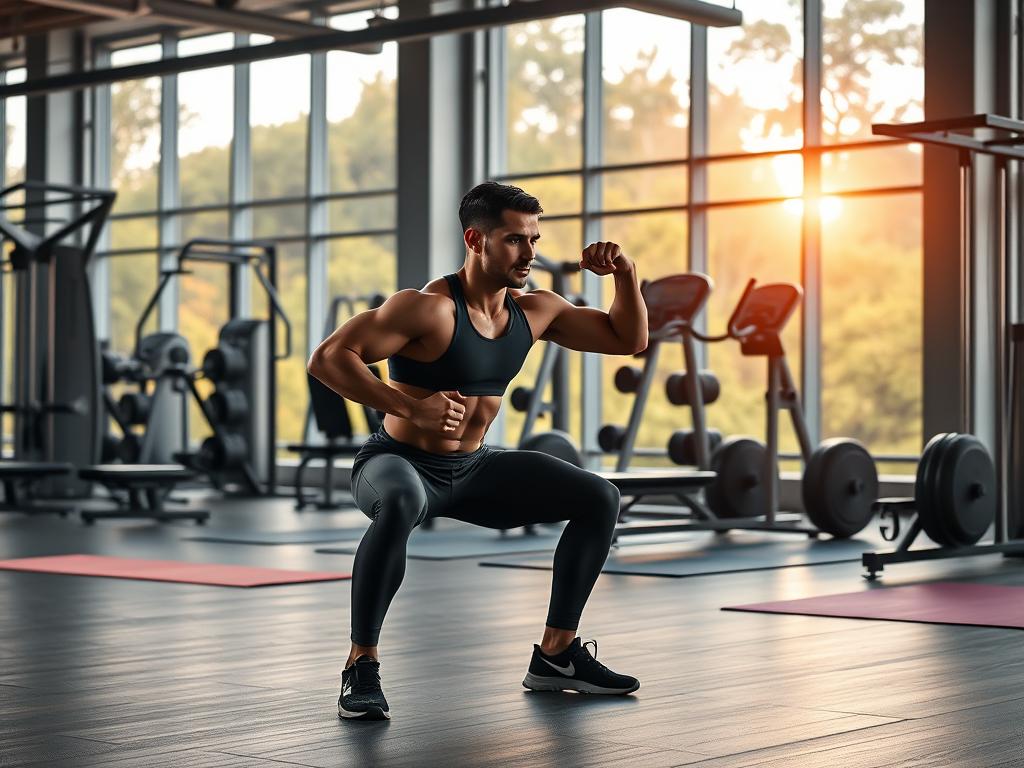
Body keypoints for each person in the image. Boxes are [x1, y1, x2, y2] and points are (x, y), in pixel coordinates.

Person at [308, 181, 648, 721]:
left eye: (534, 239)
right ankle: (361, 665)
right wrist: (407, 405)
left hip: (471, 467)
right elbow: (329, 358)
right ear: (476, 239)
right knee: (398, 505)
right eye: (515, 240)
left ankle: (557, 655)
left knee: (599, 497)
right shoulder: (426, 310)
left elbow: (626, 338)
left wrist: (626, 276)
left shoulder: (537, 312)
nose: (530, 253)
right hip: (397, 464)